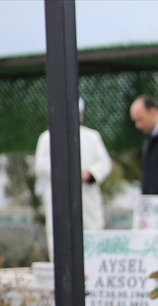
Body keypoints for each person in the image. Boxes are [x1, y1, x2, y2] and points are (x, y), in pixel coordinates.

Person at [34, 98, 113, 259]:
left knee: (92, 231)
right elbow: (40, 166)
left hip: (87, 196)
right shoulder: (47, 138)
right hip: (59, 196)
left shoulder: (92, 137)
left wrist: (89, 174)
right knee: (59, 233)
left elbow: (104, 163)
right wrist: (65, 173)